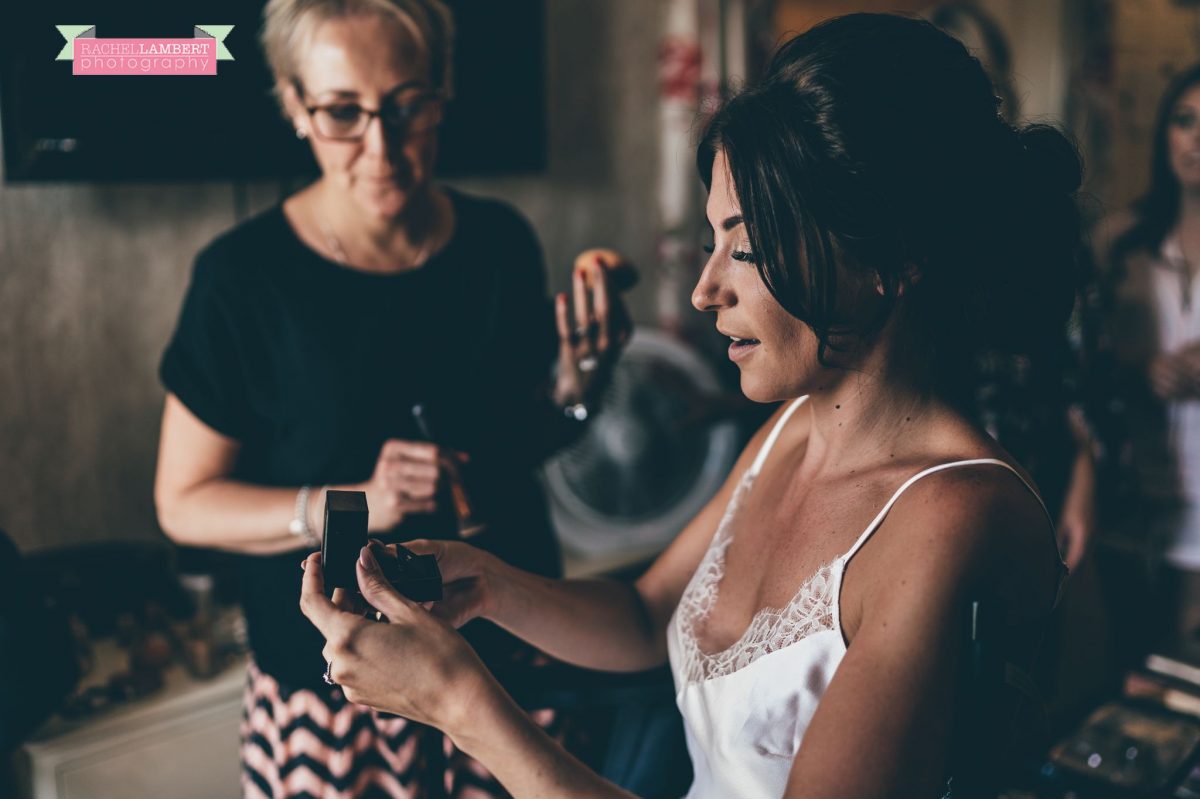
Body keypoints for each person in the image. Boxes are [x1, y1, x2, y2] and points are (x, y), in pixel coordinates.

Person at [300, 13, 1079, 798]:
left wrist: (462, 706)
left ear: (891, 258)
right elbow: (648, 617)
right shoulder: (793, 429)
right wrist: (489, 583)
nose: (707, 291)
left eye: (744, 246)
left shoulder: (951, 513)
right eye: (711, 243)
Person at [153, 1, 631, 796]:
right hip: (336, 695)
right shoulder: (242, 279)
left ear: (443, 92)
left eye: (409, 105)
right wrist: (353, 502)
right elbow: (185, 501)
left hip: (509, 671)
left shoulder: (499, 242)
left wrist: (577, 384)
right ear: (294, 105)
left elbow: (518, 441)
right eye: (343, 112)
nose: (382, 148)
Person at [1097, 63, 1200, 659]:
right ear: (1165, 135)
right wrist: (1143, 367)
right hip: (1138, 486)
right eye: (1184, 120)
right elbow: (1084, 361)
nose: (1197, 138)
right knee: (1133, 662)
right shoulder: (1122, 241)